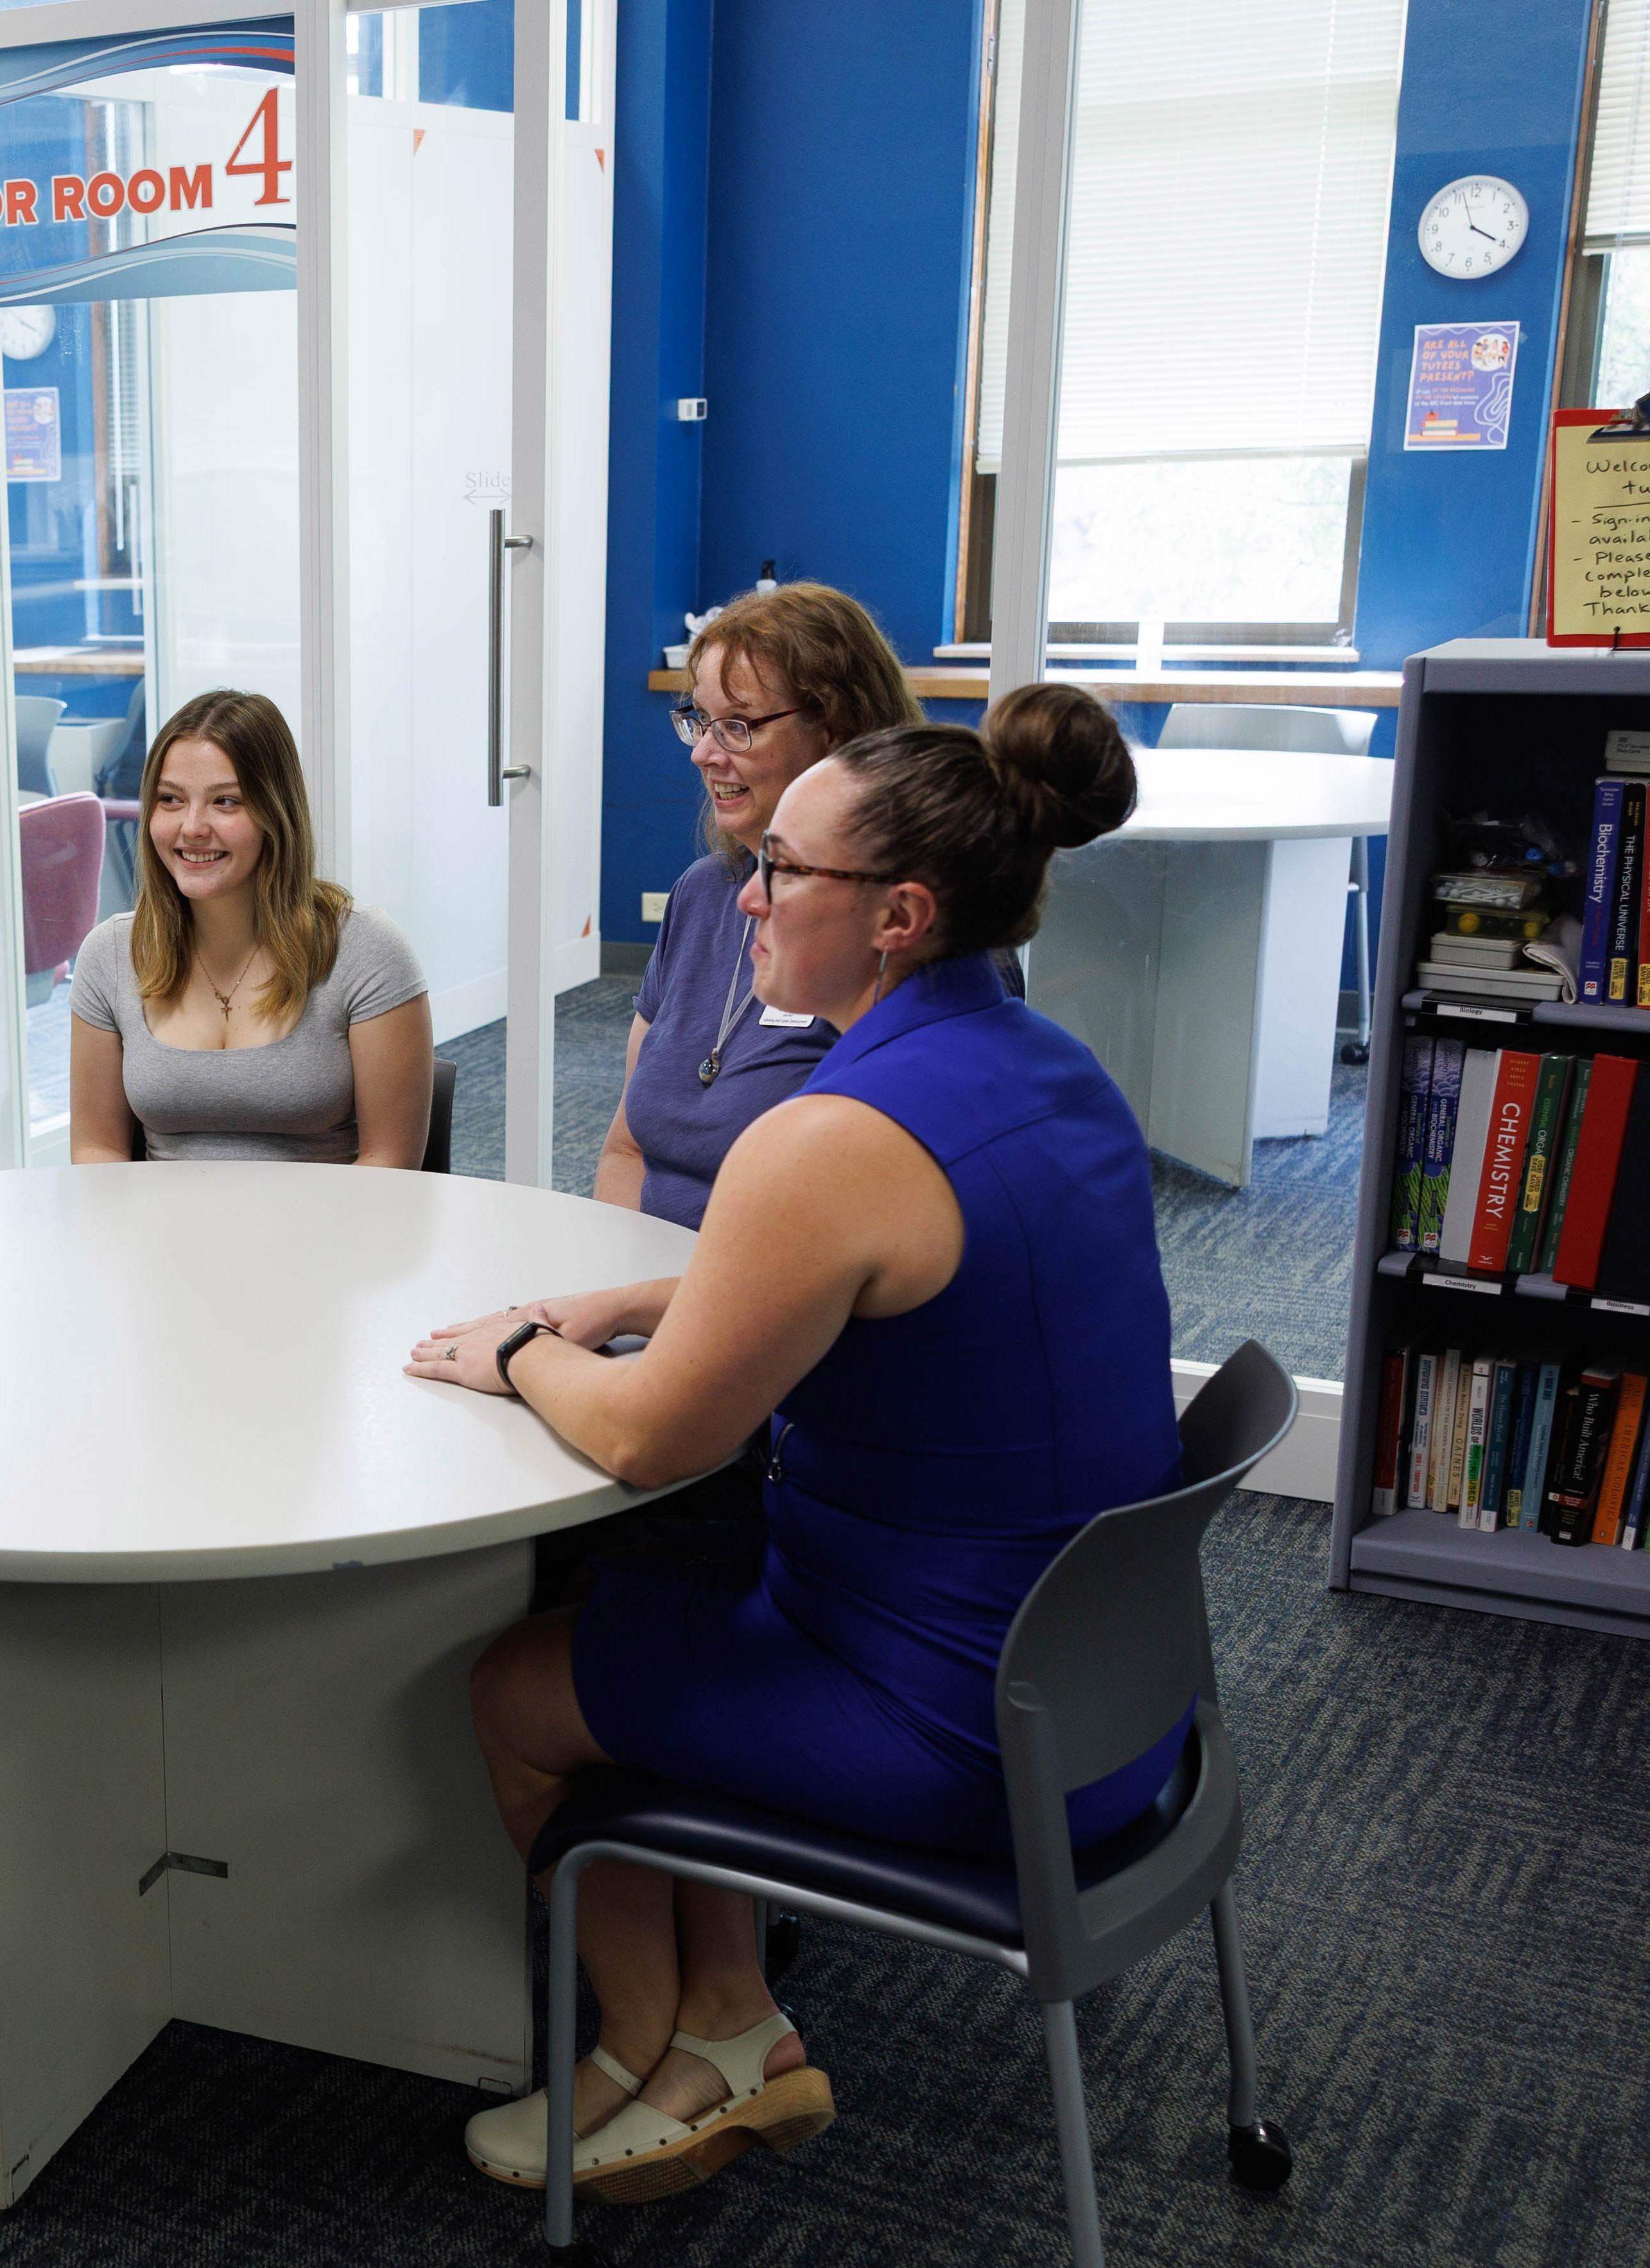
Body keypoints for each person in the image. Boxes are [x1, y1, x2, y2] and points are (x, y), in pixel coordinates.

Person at [409, 683, 1180, 2206]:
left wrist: (517, 1348)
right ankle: (713, 2019)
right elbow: (871, 1267)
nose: (742, 893)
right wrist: (638, 1290)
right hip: (1106, 1695)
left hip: (947, 1727)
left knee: (516, 1683)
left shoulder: (825, 1138)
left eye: (779, 868)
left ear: (894, 913)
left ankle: (681, 2046)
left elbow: (641, 1436)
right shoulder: (1041, 1066)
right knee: (654, 1595)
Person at [599, 582, 921, 1229]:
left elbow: (860, 1232)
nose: (702, 752)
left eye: (737, 726)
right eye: (699, 719)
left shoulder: (899, 932)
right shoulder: (701, 892)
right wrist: (611, 1290)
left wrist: (647, 1311)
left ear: (837, 730)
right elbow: (626, 1146)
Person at [67, 689, 434, 1166]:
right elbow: (98, 1150)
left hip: (327, 1234)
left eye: (225, 801)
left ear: (274, 813)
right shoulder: (112, 954)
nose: (192, 826)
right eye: (171, 799)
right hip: (161, 1236)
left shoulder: (365, 949)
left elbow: (389, 1165)